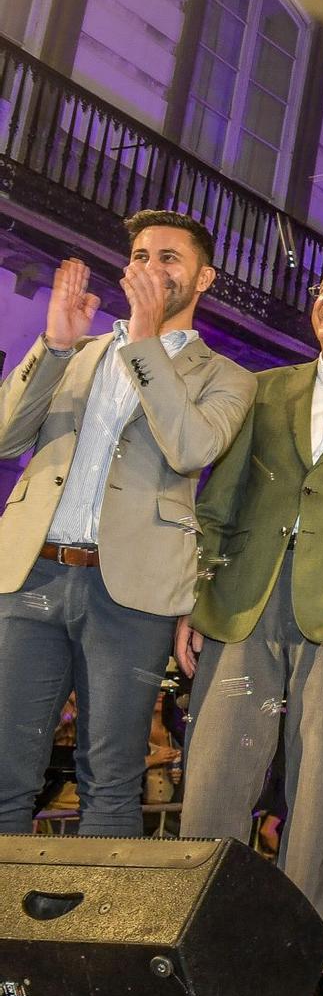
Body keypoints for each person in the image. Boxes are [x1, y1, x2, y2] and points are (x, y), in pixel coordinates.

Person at [0, 211, 253, 835]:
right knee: (4, 774)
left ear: (204, 279)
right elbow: (7, 440)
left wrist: (143, 342)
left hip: (131, 593)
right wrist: (54, 346)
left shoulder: (227, 377)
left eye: (169, 258)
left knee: (109, 782)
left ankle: (92, 930)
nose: (150, 268)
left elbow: (190, 448)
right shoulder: (77, 353)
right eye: (140, 256)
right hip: (31, 574)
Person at [176, 263, 323, 921]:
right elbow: (217, 503)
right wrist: (198, 598)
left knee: (315, 796)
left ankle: (292, 950)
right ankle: (194, 942)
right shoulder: (262, 389)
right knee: (215, 782)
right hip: (246, 603)